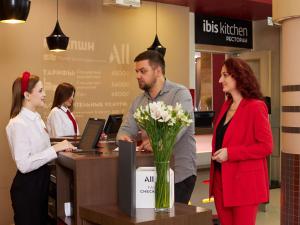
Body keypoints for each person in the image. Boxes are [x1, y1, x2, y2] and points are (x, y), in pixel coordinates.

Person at [117, 50, 197, 204]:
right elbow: (126, 129)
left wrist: (157, 143)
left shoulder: (180, 94)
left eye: (143, 71)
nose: (138, 76)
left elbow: (178, 130)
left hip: (179, 174)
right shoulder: (138, 101)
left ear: (158, 71)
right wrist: (124, 138)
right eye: (137, 71)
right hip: (149, 176)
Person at [209, 58, 273, 225]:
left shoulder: (256, 107)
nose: (220, 80)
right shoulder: (226, 105)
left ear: (239, 76)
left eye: (225, 75)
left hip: (244, 185)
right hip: (221, 181)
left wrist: (231, 153)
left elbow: (266, 147)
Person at [6, 72, 75, 225]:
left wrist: (60, 149)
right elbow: (24, 164)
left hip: (41, 183)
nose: (45, 94)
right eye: (40, 90)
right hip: (28, 188)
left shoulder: (37, 119)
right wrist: (55, 148)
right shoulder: (18, 123)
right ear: (27, 95)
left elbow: (40, 150)